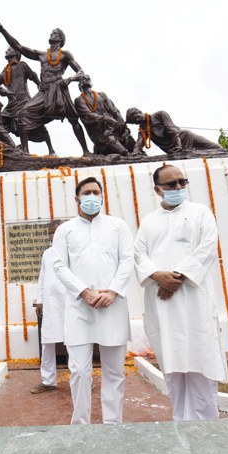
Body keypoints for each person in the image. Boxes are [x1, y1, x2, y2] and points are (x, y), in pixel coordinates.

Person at [134, 165, 228, 420]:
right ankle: (181, 425)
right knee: (173, 369)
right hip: (161, 303)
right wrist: (157, 276)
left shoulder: (200, 213)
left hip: (194, 300)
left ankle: (207, 429)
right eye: (171, 184)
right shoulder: (149, 221)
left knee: (201, 363)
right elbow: (138, 254)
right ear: (157, 190)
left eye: (181, 182)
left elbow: (208, 247)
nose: (178, 188)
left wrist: (176, 278)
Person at [51, 177, 134, 424]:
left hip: (113, 306)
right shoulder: (65, 230)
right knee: (78, 371)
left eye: (96, 192)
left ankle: (113, 424)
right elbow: (58, 264)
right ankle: (81, 425)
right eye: (86, 193)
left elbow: (127, 260)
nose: (92, 196)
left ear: (102, 195)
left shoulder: (118, 226)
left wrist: (113, 291)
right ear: (77, 199)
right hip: (79, 307)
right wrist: (83, 291)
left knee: (115, 371)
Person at [0, 18, 90, 155]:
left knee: (73, 118)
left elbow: (81, 72)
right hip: (44, 91)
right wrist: (3, 31)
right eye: (52, 32)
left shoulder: (65, 55)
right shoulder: (42, 55)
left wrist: (70, 79)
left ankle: (86, 151)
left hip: (59, 89)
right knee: (23, 114)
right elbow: (19, 47)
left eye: (55, 33)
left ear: (60, 39)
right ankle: (25, 152)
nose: (52, 34)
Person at [0, 48, 54, 155]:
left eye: (9, 50)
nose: (6, 51)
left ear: (16, 53)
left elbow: (33, 76)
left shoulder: (22, 65)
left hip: (24, 102)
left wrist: (40, 86)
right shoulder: (5, 72)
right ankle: (5, 147)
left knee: (35, 126)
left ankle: (50, 150)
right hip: (11, 106)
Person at [31, 219, 66, 394]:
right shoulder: (47, 254)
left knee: (76, 342)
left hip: (70, 303)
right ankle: (48, 380)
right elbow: (42, 278)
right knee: (47, 342)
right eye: (50, 233)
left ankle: (82, 378)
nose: (52, 236)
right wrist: (40, 300)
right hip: (51, 304)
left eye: (55, 232)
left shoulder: (74, 250)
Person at [74, 75, 135, 156]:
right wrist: (106, 119)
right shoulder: (79, 100)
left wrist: (124, 128)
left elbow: (115, 111)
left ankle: (139, 155)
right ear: (80, 87)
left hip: (113, 126)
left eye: (87, 81)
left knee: (130, 142)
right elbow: (88, 115)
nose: (86, 85)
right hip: (100, 132)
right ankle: (129, 155)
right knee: (123, 151)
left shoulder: (101, 95)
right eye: (83, 82)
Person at [125, 108, 226, 156]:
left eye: (137, 117)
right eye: (135, 121)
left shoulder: (160, 114)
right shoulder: (143, 129)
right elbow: (139, 144)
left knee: (216, 148)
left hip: (181, 138)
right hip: (171, 149)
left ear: (140, 112)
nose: (138, 120)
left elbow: (172, 130)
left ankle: (222, 152)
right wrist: (134, 154)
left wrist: (179, 146)